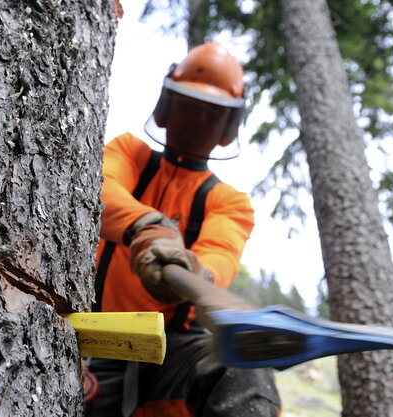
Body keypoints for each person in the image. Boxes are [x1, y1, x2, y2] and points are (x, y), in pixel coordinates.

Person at [86, 42, 281, 416]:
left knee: (242, 368)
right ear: (166, 107)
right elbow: (98, 187)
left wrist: (189, 270)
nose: (198, 120)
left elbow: (219, 258)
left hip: (174, 355)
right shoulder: (130, 153)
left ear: (228, 127)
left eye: (212, 113)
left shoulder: (228, 201)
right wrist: (147, 226)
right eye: (189, 106)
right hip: (94, 336)